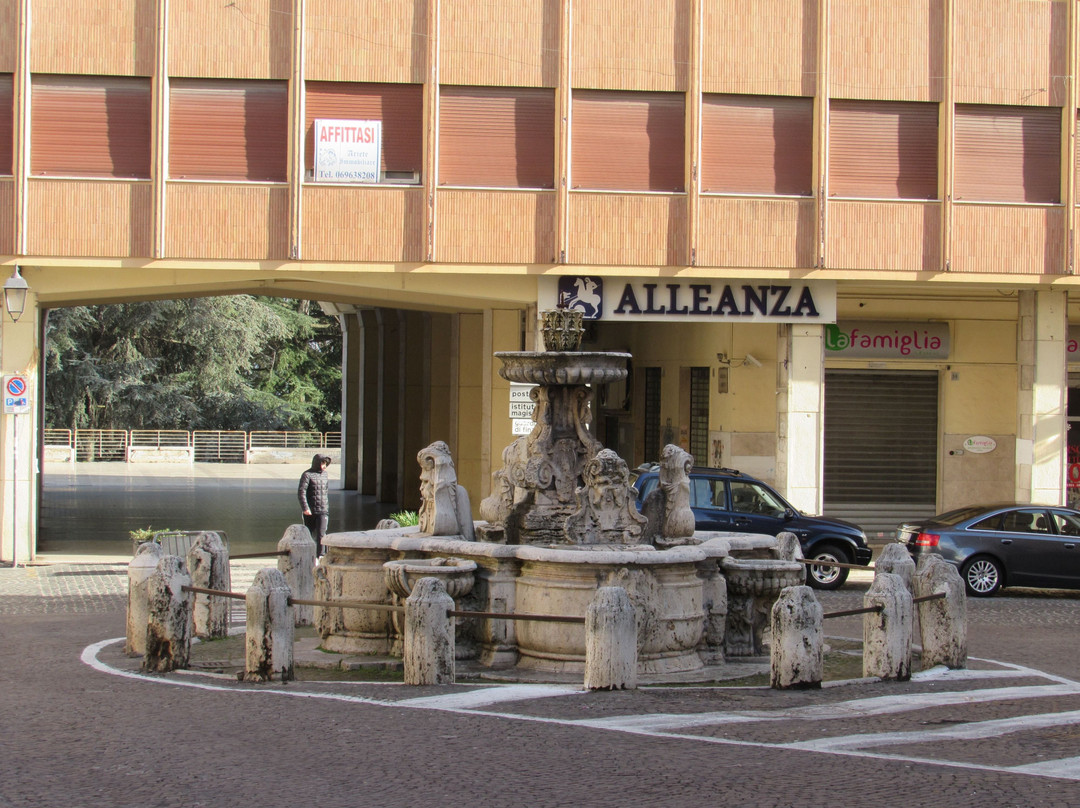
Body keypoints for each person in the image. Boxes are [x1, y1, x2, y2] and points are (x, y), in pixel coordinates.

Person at [298, 453, 332, 555]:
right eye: (323, 463)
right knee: (309, 534)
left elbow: (325, 491)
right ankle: (308, 555)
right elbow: (301, 492)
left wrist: (326, 506)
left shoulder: (325, 475)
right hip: (310, 511)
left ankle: (320, 556)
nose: (324, 466)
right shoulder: (307, 475)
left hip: (323, 510)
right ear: (317, 463)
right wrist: (305, 508)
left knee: (322, 534)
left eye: (326, 463)